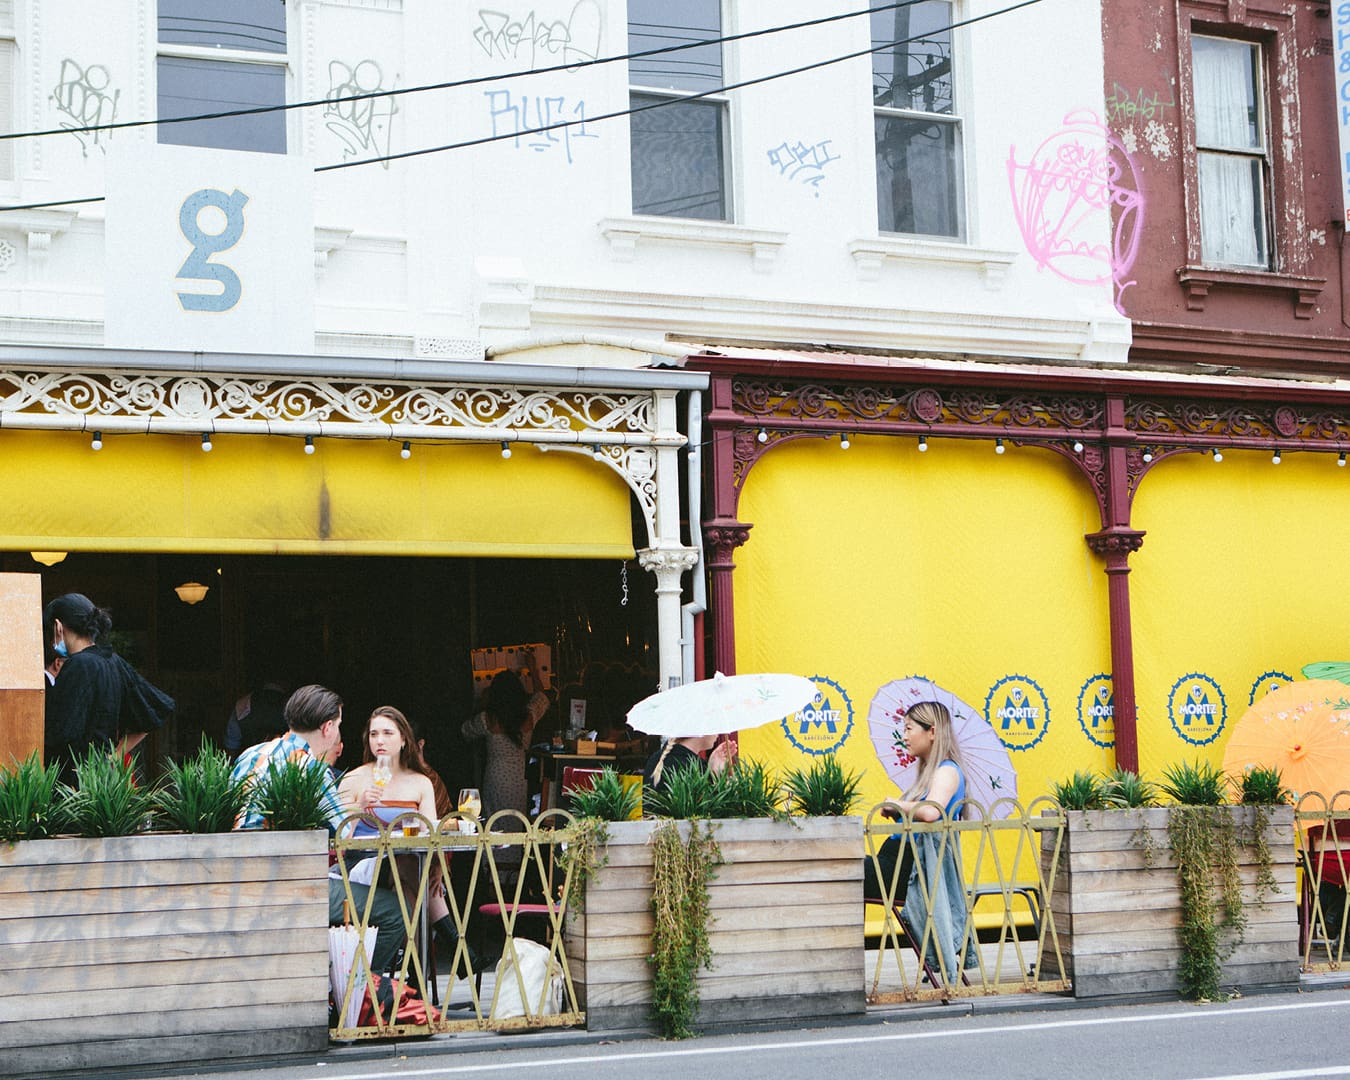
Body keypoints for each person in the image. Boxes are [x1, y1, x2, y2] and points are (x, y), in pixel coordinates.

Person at [229, 684, 407, 974]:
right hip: (285, 887)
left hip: (237, 881)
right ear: (326, 728)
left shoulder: (251, 755)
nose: (338, 733)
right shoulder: (311, 769)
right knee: (395, 912)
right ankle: (354, 996)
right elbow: (346, 838)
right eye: (338, 725)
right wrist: (362, 810)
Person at [863, 700, 977, 980]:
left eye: (909, 728)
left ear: (933, 732)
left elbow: (930, 812)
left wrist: (898, 804)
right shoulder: (930, 773)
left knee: (840, 873)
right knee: (841, 871)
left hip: (907, 871)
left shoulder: (947, 771)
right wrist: (898, 811)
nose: (904, 735)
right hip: (895, 862)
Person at [43, 593, 174, 783]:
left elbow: (57, 733)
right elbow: (154, 713)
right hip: (105, 782)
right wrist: (113, 757)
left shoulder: (79, 665)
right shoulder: (114, 661)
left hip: (72, 783)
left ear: (58, 626)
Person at [461, 670, 548, 823]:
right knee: (515, 821)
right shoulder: (528, 716)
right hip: (519, 778)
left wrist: (481, 703)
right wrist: (533, 668)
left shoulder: (488, 719)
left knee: (494, 823)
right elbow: (542, 697)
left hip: (495, 778)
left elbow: (465, 731)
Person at [642, 733, 734, 796]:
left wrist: (713, 769)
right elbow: (706, 815)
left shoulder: (657, 758)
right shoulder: (686, 766)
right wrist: (716, 776)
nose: (718, 733)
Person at [224, 674, 288, 756]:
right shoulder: (293, 705)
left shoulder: (243, 704)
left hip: (249, 764)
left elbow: (231, 746)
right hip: (286, 763)